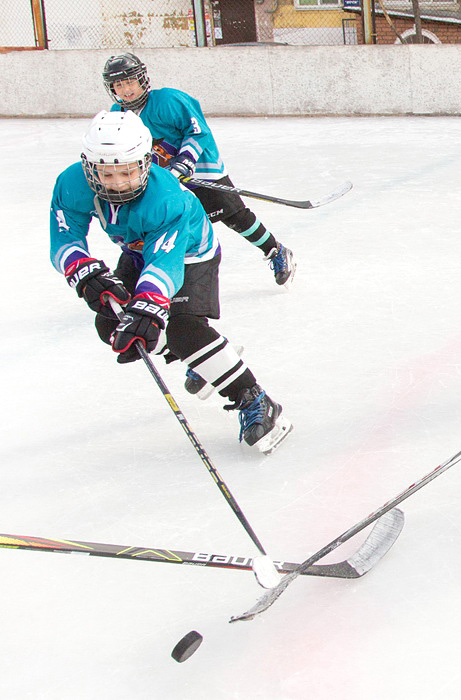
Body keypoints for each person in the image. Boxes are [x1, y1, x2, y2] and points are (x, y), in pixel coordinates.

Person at [49, 111, 293, 455]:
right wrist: (84, 271)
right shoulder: (71, 183)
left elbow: (165, 264)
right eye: (107, 173)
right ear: (89, 167)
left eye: (127, 172)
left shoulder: (168, 198)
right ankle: (206, 358)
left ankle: (254, 398)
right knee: (112, 325)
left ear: (146, 163)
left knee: (181, 327)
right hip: (137, 251)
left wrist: (149, 307)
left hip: (190, 252)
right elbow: (63, 238)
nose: (118, 183)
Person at [102, 53, 297, 288]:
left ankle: (276, 251)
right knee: (152, 224)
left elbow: (197, 130)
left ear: (142, 79)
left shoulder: (168, 100)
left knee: (235, 216)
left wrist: (186, 160)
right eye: (119, 85)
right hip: (163, 178)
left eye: (130, 81)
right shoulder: (117, 113)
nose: (126, 90)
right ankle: (132, 276)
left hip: (201, 168)